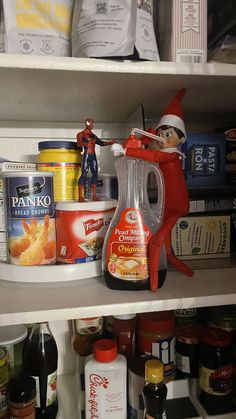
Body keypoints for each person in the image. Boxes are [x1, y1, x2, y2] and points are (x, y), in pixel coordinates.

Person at [112, 89, 194, 291]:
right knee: (166, 246)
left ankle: (154, 285)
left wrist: (127, 150)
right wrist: (145, 139)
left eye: (169, 135)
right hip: (164, 205)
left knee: (156, 242)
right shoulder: (164, 151)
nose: (164, 138)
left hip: (175, 207)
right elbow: (151, 153)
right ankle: (185, 270)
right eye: (161, 134)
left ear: (181, 139)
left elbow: (155, 158)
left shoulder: (172, 156)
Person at [77, 118, 113, 201]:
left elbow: (101, 143)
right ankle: (80, 197)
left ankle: (94, 196)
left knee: (95, 174)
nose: (93, 125)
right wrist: (87, 143)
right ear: (87, 124)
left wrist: (111, 142)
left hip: (93, 156)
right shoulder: (81, 134)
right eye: (91, 124)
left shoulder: (93, 135)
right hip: (87, 155)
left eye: (93, 124)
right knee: (84, 173)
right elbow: (79, 144)